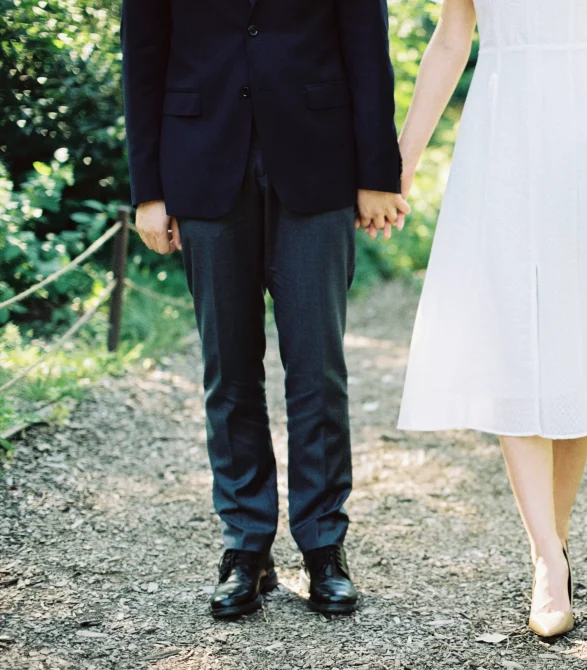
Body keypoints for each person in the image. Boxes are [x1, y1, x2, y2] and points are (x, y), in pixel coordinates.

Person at [396, 0, 587, 637]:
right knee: (513, 334)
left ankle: (552, 541)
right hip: (501, 134)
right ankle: (547, 559)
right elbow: (452, 38)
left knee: (576, 336)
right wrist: (406, 154)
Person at [120, 0, 409, 619]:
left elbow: (366, 47)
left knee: (319, 371)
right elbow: (141, 60)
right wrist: (149, 190)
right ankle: (246, 548)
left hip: (319, 165)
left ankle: (323, 547)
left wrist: (378, 172)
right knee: (228, 370)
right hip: (200, 163)